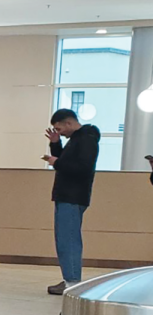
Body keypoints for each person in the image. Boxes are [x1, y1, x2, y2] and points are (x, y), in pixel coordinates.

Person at [43, 108, 101, 295]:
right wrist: (55, 144)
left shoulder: (86, 139)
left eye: (60, 129)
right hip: (68, 195)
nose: (60, 132)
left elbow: (81, 168)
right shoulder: (77, 140)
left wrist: (56, 162)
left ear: (69, 123)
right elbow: (66, 162)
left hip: (73, 196)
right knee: (65, 239)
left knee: (68, 239)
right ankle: (70, 278)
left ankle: (72, 281)